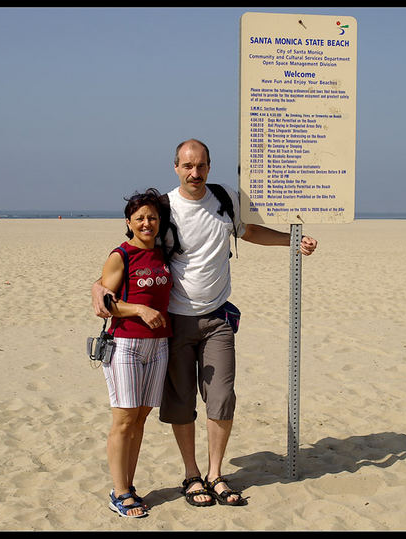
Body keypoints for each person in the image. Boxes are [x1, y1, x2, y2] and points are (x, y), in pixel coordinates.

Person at [92, 139, 318, 507]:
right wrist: (97, 287)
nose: (194, 173)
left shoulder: (225, 197)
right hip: (175, 323)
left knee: (222, 397)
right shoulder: (164, 208)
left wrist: (291, 242)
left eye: (201, 166)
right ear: (176, 167)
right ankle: (192, 475)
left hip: (217, 318)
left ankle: (215, 473)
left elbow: (248, 231)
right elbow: (133, 250)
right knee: (181, 403)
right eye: (187, 166)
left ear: (210, 167)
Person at [98, 188, 172, 518]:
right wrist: (139, 309)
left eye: (152, 217)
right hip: (125, 344)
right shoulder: (121, 255)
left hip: (159, 345)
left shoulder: (164, 253)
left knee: (140, 418)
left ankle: (128, 484)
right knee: (123, 419)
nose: (146, 223)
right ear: (129, 221)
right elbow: (105, 300)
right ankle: (120, 491)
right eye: (140, 217)